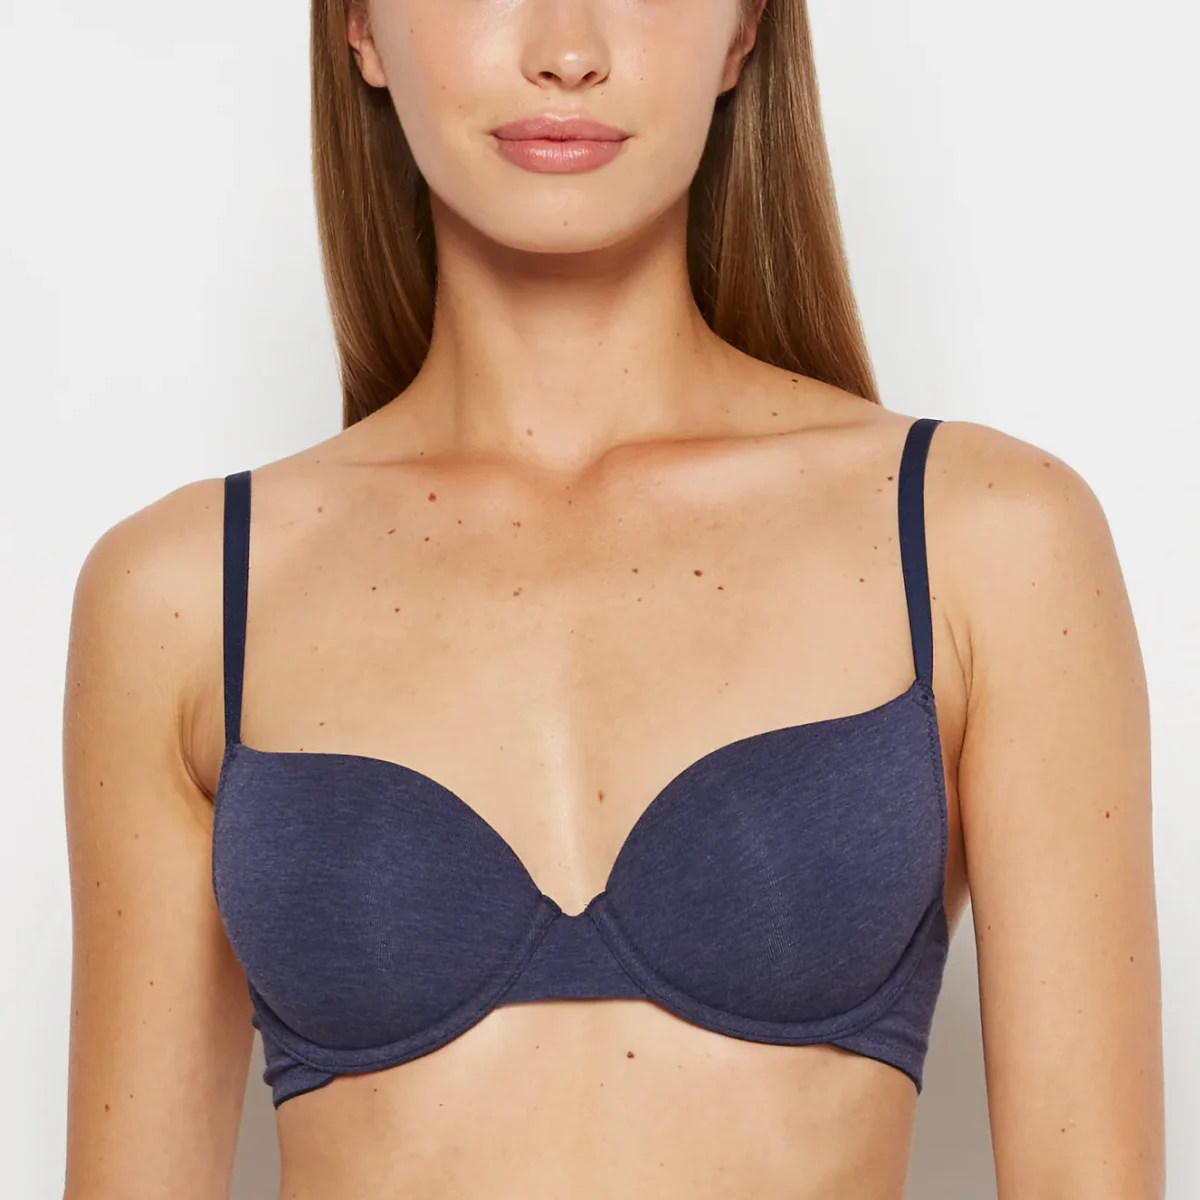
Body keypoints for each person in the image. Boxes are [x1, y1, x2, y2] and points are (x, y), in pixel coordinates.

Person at [60, 1, 1165, 1197]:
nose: (568, 51)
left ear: (743, 31)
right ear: (361, 29)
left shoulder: (985, 539)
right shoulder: (184, 595)